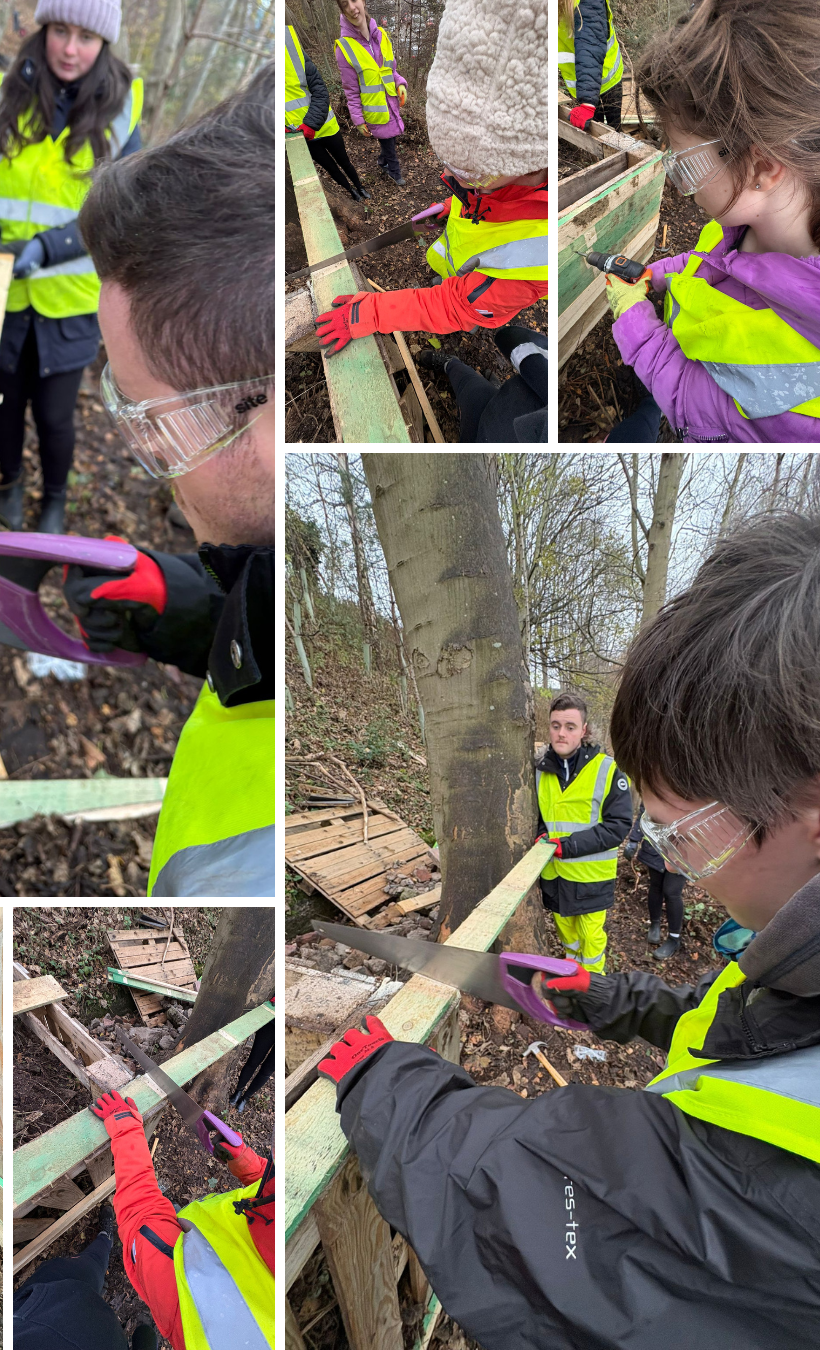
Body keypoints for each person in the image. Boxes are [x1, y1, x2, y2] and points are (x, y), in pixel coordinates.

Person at [314, 512, 820, 1349]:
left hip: (581, 884)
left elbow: (547, 1212)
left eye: (683, 832)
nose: (678, 862)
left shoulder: (776, 1191)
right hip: (557, 885)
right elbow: (750, 1027)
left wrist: (381, 1082)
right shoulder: (793, 966)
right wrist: (610, 1003)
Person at [61, 69, 274, 898]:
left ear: (266, 425)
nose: (160, 471)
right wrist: (187, 604)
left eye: (155, 425)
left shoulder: (243, 881)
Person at [0, 1, 145, 533]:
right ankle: (11, 483)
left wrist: (47, 247)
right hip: (0, 296)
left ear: (104, 43)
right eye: (60, 30)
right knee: (6, 405)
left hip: (72, 302)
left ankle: (56, 500)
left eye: (85, 36)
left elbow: (123, 208)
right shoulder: (1, 97)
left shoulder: (123, 109)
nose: (69, 48)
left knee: (55, 417)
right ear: (42, 30)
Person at [605, 0, 820, 443]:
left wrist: (635, 324)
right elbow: (708, 263)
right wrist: (654, 275)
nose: (679, 180)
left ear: (761, 167)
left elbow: (689, 403)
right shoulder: (746, 222)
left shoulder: (800, 399)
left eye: (685, 162)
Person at [316, 0, 548, 369]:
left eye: (470, 175)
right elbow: (496, 200)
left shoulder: (539, 253)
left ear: (530, 163)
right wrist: (456, 204)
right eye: (449, 166)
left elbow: (454, 305)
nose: (454, 179)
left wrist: (373, 312)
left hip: (477, 301)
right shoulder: (502, 179)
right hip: (461, 265)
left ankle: (469, 331)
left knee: (467, 316)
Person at [92, 1090, 274, 1348]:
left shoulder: (201, 1307)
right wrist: (252, 1167)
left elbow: (140, 1213)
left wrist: (126, 1133)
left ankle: (179, 1232)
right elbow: (278, 1196)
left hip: (186, 1264)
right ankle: (181, 1226)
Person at [536, 693, 632, 974]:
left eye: (570, 726)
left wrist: (568, 846)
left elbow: (618, 826)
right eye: (556, 726)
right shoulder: (541, 771)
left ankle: (593, 992)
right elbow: (542, 817)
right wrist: (542, 835)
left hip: (591, 878)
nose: (561, 733)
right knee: (569, 938)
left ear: (584, 730)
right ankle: (571, 980)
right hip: (555, 875)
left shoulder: (607, 769)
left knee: (591, 941)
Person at [14, 1204, 157, 1349]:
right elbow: (145, 1334)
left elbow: (145, 1334)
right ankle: (105, 1239)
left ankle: (105, 1241)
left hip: (38, 1305)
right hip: (61, 1306)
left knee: (74, 1267)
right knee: (94, 1263)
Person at [416, 326, 548, 440]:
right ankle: (450, 364)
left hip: (483, 437)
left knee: (470, 394)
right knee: (467, 382)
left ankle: (492, 388)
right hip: (510, 407)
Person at [285, 26, 368, 202]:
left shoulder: (291, 51)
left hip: (325, 126)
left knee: (344, 162)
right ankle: (350, 190)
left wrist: (310, 124)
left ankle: (360, 186)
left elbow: (320, 91)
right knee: (331, 168)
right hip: (301, 136)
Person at [334, 0, 408, 186]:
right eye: (345, 4)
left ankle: (382, 162)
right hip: (375, 112)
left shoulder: (381, 35)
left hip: (391, 104)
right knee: (389, 145)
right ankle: (395, 173)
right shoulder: (345, 48)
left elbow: (391, 70)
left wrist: (400, 83)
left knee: (388, 142)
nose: (352, 7)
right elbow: (351, 91)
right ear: (342, 9)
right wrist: (358, 120)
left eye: (354, 0)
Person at [625, 802, 687, 959]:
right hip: (656, 847)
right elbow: (644, 812)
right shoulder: (656, 783)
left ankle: (674, 938)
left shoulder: (694, 785)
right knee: (656, 886)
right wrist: (634, 839)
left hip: (683, 849)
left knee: (672, 891)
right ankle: (655, 924)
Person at [558, 0, 623, 131]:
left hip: (608, 77)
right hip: (584, 82)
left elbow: (590, 44)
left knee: (614, 131)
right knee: (596, 131)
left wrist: (588, 103)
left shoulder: (587, 3)